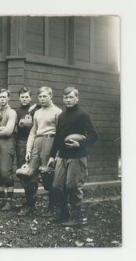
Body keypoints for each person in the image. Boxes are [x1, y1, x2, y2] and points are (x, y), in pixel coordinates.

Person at [47, 87, 97, 226]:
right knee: (57, 186)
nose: (68, 100)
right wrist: (52, 156)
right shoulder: (61, 116)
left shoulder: (83, 115)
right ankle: (63, 214)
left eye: (71, 97)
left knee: (73, 186)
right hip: (62, 156)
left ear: (77, 98)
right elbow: (57, 138)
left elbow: (94, 135)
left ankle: (77, 217)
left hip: (77, 156)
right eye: (65, 97)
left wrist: (80, 145)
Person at [25, 86, 62, 217]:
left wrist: (56, 153)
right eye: (40, 96)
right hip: (37, 142)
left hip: (50, 141)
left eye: (44, 96)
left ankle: (51, 208)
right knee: (30, 174)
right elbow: (33, 132)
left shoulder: (57, 112)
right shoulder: (37, 112)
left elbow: (60, 134)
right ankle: (30, 206)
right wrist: (28, 150)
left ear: (51, 96)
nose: (42, 99)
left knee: (48, 174)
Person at [15, 87, 41, 216]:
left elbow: (38, 127)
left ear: (30, 98)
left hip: (34, 142)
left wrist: (27, 124)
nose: (24, 99)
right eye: (22, 97)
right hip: (20, 143)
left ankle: (31, 203)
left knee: (32, 173)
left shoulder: (36, 110)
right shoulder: (17, 111)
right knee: (22, 172)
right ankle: (29, 200)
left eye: (26, 97)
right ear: (19, 98)